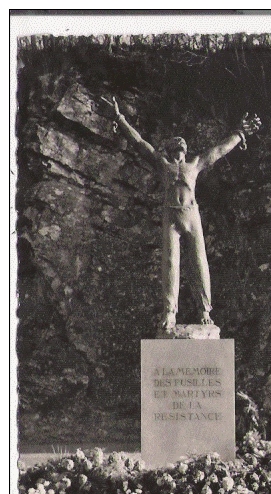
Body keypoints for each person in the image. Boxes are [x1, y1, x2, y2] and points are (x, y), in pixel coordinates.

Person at [105, 96, 261, 331]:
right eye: (176, 145)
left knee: (199, 261)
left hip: (191, 214)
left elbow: (219, 150)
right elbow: (138, 142)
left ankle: (205, 310)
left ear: (185, 149)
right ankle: (170, 312)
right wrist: (119, 117)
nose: (180, 147)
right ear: (170, 149)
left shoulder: (195, 164)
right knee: (170, 262)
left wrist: (239, 134)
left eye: (182, 144)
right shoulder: (163, 164)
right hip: (171, 215)